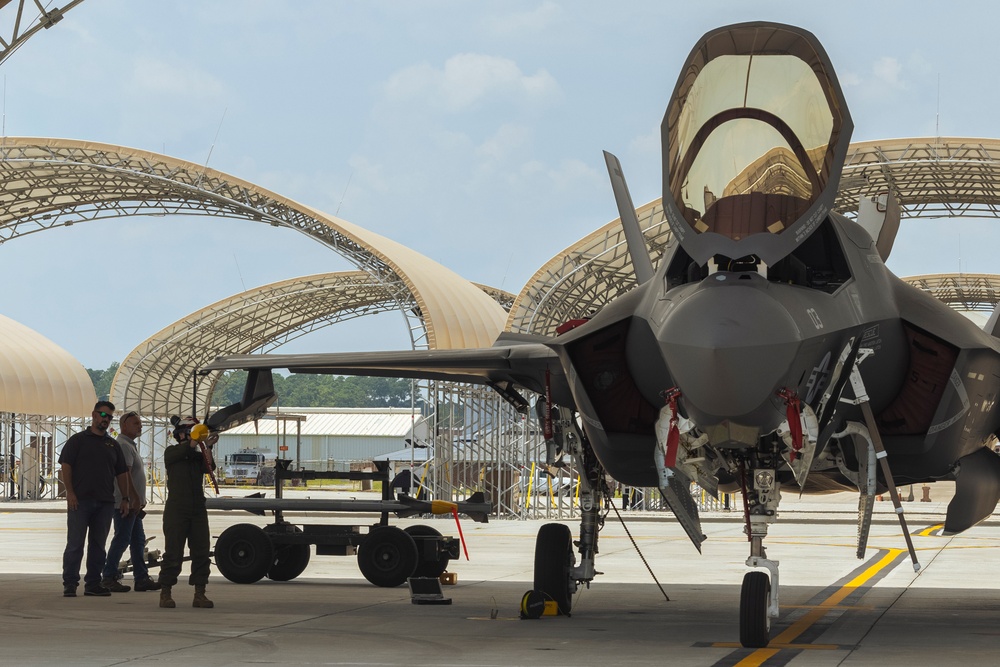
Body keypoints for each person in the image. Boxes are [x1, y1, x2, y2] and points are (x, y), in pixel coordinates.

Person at [59, 401, 131, 597]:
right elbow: (66, 466)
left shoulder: (112, 445)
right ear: (93, 415)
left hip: (105, 503)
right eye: (102, 414)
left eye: (109, 417)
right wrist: (70, 493)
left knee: (98, 545)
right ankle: (70, 583)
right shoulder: (77, 441)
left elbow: (122, 474)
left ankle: (92, 583)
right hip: (80, 502)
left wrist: (125, 498)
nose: (105, 419)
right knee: (75, 544)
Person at [157, 416, 216, 609]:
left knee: (201, 552)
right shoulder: (172, 452)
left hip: (197, 508)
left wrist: (208, 447)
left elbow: (209, 467)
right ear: (181, 434)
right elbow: (180, 452)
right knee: (173, 553)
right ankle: (165, 592)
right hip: (177, 509)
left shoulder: (197, 456)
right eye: (191, 430)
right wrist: (193, 443)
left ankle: (200, 594)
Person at [100, 411, 159, 593]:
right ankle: (108, 576)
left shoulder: (129, 445)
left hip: (133, 504)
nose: (140, 426)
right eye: (136, 423)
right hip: (124, 504)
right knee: (122, 539)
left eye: (140, 423)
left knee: (137, 540)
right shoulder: (124, 445)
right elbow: (124, 475)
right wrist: (132, 498)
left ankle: (141, 578)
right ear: (124, 426)